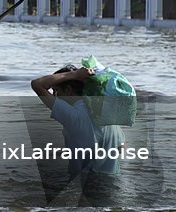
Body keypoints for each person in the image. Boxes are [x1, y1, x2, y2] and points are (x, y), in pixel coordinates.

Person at [31, 65, 125, 199]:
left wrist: (73, 75)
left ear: (68, 90)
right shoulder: (104, 110)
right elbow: (121, 146)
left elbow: (37, 85)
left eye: (56, 91)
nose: (54, 96)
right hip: (112, 185)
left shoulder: (74, 115)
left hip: (85, 186)